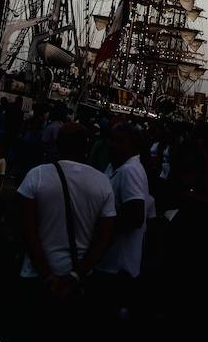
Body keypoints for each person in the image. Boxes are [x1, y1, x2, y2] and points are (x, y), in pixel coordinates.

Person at [17, 122, 116, 328]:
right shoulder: (102, 182)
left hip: (37, 275)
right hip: (79, 280)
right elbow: (105, 237)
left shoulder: (37, 175)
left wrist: (46, 274)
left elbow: (25, 228)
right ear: (86, 146)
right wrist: (75, 275)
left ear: (58, 145)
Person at [99, 121, 152, 330]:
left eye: (119, 141)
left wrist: (104, 229)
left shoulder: (130, 171)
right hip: (111, 261)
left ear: (133, 146)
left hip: (119, 267)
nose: (112, 145)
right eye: (111, 139)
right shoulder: (117, 166)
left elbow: (136, 215)